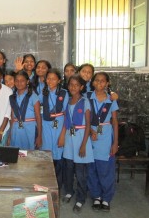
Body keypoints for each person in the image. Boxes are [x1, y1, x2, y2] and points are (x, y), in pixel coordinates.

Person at [58, 74, 94, 213]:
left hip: (80, 138)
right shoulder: (68, 101)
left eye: (76, 85)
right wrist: (62, 136)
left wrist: (84, 144)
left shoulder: (85, 102)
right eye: (70, 84)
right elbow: (66, 121)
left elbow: (88, 124)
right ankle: (69, 191)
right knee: (68, 167)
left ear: (82, 87)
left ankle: (80, 198)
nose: (73, 87)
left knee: (80, 171)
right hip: (69, 137)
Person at [87, 72, 119, 212]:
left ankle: (106, 198)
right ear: (92, 82)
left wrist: (115, 142)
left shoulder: (111, 100)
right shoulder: (87, 97)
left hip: (105, 137)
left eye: (102, 81)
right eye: (97, 81)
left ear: (107, 84)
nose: (99, 83)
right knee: (91, 168)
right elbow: (82, 119)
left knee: (105, 169)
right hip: (89, 136)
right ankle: (96, 195)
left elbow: (115, 122)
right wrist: (90, 131)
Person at [41, 68, 69, 189]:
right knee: (47, 155)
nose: (50, 81)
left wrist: (63, 134)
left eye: (53, 78)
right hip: (46, 125)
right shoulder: (43, 92)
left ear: (59, 80)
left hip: (59, 123)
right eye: (48, 78)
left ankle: (57, 186)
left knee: (59, 156)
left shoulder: (64, 93)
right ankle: (47, 184)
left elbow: (67, 114)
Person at [9, 71, 42, 150]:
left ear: (27, 81)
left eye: (22, 80)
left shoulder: (33, 96)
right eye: (17, 80)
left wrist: (39, 136)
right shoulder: (12, 97)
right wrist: (9, 136)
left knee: (29, 154)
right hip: (16, 130)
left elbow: (38, 117)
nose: (19, 83)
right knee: (16, 154)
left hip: (30, 129)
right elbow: (12, 118)